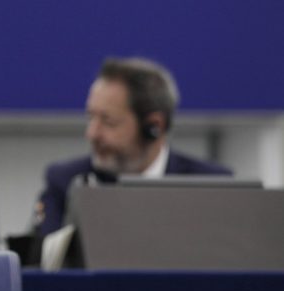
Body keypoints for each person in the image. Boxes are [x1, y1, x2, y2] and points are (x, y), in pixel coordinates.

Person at [31, 57, 232, 241]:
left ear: (154, 126)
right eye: (91, 117)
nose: (92, 133)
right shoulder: (66, 183)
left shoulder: (213, 188)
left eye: (108, 121)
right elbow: (40, 261)